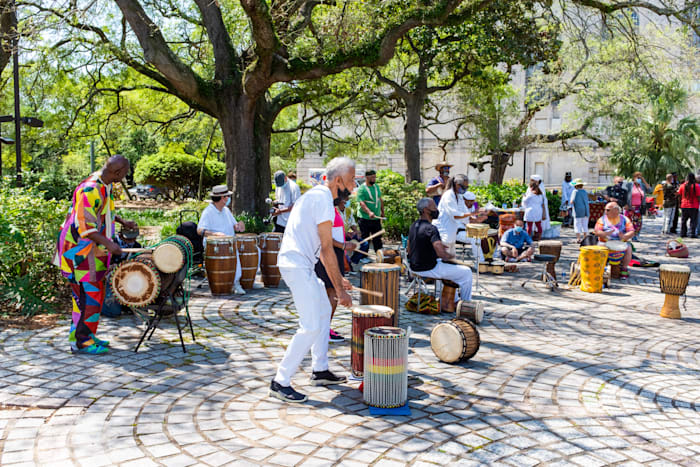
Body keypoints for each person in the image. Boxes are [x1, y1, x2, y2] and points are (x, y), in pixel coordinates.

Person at [270, 157, 355, 403]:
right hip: (296, 265)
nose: (352, 188)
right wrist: (340, 290)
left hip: (301, 264)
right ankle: (280, 381)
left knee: (322, 312)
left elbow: (320, 249)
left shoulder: (316, 196)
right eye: (350, 182)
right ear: (338, 181)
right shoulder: (322, 200)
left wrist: (339, 280)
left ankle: (319, 370)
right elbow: (327, 250)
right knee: (309, 326)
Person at [57, 155, 136, 354]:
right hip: (78, 253)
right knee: (87, 298)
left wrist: (121, 222)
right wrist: (111, 245)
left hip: (91, 251)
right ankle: (81, 342)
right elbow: (85, 227)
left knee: (95, 296)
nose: (125, 177)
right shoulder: (90, 188)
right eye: (125, 174)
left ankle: (86, 335)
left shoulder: (103, 183)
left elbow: (98, 211)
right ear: (117, 172)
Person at [407, 198, 473, 302]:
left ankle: (453, 300)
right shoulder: (431, 229)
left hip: (414, 267)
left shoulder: (413, 225)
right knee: (466, 272)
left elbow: (409, 249)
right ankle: (466, 304)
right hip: (429, 268)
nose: (436, 209)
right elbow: (441, 254)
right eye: (434, 207)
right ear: (425, 210)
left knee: (451, 270)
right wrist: (450, 256)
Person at [314, 196, 356, 343]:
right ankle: (324, 330)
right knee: (331, 292)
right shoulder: (328, 211)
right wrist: (344, 245)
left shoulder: (334, 210)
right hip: (329, 254)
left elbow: (334, 233)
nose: (347, 199)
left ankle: (325, 327)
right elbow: (324, 238)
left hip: (335, 253)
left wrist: (346, 240)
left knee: (330, 293)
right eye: (344, 197)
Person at [197, 185, 248, 295]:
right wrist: (215, 234)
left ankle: (236, 283)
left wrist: (239, 226)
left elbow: (235, 226)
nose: (229, 198)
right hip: (214, 246)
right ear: (222, 198)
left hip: (229, 244)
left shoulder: (226, 210)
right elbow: (200, 230)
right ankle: (225, 285)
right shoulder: (208, 212)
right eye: (227, 196)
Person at [594, 202, 635, 279]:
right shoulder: (602, 219)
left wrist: (624, 236)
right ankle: (602, 267)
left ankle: (624, 268)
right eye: (605, 210)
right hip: (605, 241)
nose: (605, 211)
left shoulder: (625, 219)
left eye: (608, 210)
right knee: (600, 247)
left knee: (629, 248)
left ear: (616, 210)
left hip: (621, 242)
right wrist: (605, 234)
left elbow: (631, 231)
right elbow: (597, 231)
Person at [434, 175, 471, 256]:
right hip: (444, 232)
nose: (465, 189)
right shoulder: (448, 195)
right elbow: (455, 215)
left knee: (451, 260)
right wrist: (472, 214)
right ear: (457, 184)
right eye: (464, 187)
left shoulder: (459, 196)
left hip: (452, 234)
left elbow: (464, 213)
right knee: (444, 260)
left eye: (467, 187)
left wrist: (474, 218)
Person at [355, 169, 384, 252]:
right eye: (372, 177)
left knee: (377, 238)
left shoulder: (376, 187)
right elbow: (362, 203)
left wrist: (382, 212)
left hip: (376, 218)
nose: (374, 179)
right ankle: (364, 256)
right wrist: (369, 212)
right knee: (365, 238)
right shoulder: (362, 189)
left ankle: (379, 255)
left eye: (375, 177)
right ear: (367, 177)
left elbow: (380, 199)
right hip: (365, 218)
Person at [338, 197, 369, 270]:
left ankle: (352, 262)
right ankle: (347, 265)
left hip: (347, 234)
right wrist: (345, 234)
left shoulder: (348, 210)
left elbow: (352, 222)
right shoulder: (334, 210)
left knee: (364, 244)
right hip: (338, 236)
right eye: (346, 199)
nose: (347, 200)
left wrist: (355, 231)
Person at [456, 191, 488, 262]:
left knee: (488, 235)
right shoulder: (460, 207)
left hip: (470, 230)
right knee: (475, 238)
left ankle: (490, 257)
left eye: (472, 201)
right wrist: (480, 219)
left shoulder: (475, 205)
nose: (471, 203)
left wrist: (484, 213)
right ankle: (480, 262)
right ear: (464, 200)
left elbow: (478, 212)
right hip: (458, 232)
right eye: (469, 201)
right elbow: (470, 221)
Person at [624, 172, 651, 239]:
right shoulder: (629, 185)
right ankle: (627, 235)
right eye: (637, 177)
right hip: (630, 207)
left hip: (638, 207)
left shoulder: (642, 186)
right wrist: (625, 204)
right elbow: (624, 194)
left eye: (640, 177)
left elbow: (650, 190)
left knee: (637, 223)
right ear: (634, 177)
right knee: (628, 222)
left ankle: (635, 236)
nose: (639, 178)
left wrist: (644, 181)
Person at [677, 173, 700, 238]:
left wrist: (679, 204)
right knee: (693, 220)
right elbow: (698, 197)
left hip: (684, 205)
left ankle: (683, 233)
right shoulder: (696, 186)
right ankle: (692, 233)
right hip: (694, 205)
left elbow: (679, 195)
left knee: (684, 220)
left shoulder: (682, 185)